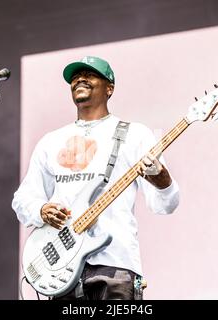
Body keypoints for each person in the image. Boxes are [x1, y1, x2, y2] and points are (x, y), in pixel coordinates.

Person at [12, 56, 179, 300]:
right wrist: (41, 209)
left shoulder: (135, 134)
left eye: (90, 75)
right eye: (75, 76)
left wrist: (162, 180)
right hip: (62, 270)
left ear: (109, 88)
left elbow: (165, 204)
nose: (80, 78)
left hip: (115, 266)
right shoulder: (50, 141)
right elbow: (23, 199)